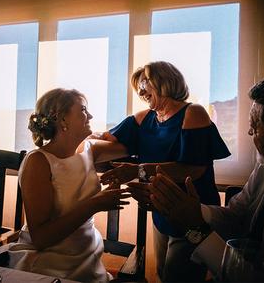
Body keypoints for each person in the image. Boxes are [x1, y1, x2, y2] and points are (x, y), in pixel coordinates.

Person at [149, 71, 264, 282]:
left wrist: (196, 228)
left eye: (254, 128)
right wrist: (194, 210)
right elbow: (238, 215)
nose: (248, 133)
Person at [96, 61, 231, 282]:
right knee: (162, 273)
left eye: (144, 84)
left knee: (178, 276)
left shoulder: (193, 113)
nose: (140, 92)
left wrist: (137, 172)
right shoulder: (143, 118)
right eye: (138, 87)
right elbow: (108, 140)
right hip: (161, 209)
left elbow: (192, 169)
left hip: (193, 212)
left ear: (165, 81)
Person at [7, 88, 131, 282]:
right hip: (49, 261)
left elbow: (130, 146)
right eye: (83, 110)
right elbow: (41, 238)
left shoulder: (90, 149)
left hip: (88, 254)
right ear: (62, 119)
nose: (90, 115)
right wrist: (96, 204)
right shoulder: (38, 162)